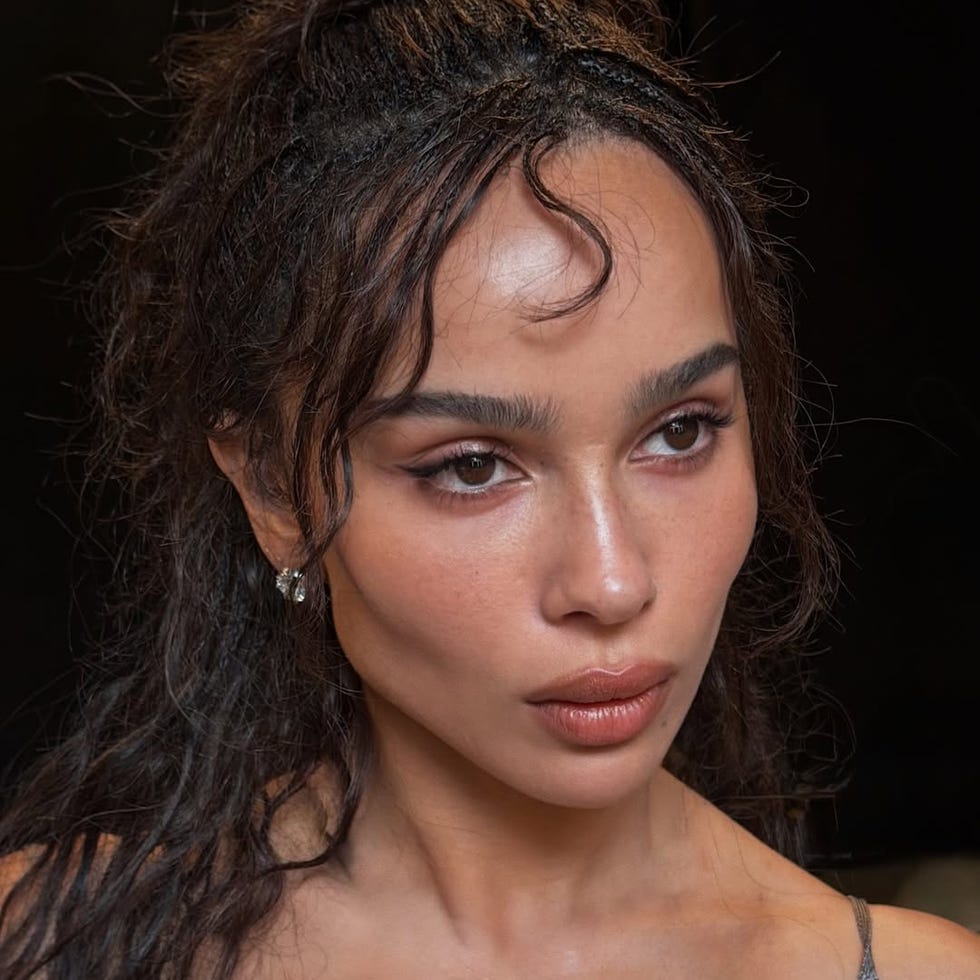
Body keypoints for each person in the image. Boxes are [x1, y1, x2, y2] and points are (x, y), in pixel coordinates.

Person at [1, 1, 977, 976]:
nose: (611, 581)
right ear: (274, 491)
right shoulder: (53, 947)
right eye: (472, 466)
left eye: (678, 432)